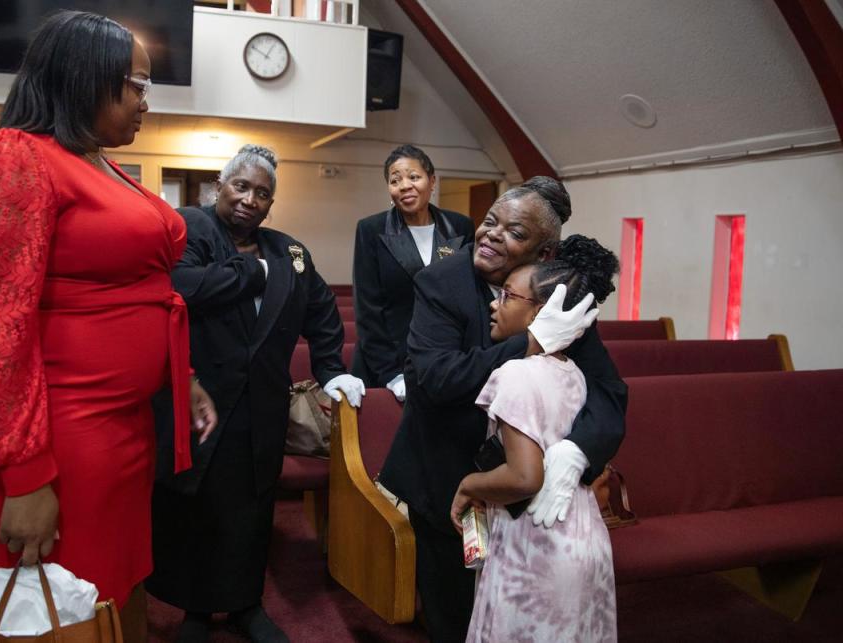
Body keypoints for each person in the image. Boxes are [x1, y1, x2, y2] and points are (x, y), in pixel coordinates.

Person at [0, 11, 215, 640]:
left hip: (119, 421)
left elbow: (136, 289)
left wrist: (184, 374)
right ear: (82, 77)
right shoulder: (10, 158)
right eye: (136, 85)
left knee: (114, 585)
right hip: (61, 426)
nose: (148, 102)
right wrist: (25, 475)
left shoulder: (94, 158)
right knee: (68, 592)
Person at [379, 177, 627, 642]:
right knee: (455, 618)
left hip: (522, 494)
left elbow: (609, 392)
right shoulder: (440, 283)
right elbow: (436, 379)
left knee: (510, 621)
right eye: (490, 221)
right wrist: (531, 343)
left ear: (545, 253)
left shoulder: (557, 295)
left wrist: (577, 451)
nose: (492, 234)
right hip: (447, 481)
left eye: (514, 232)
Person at [147, 144, 365, 643]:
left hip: (262, 404)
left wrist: (332, 371)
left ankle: (246, 604)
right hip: (198, 396)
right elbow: (180, 286)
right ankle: (195, 610)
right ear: (218, 188)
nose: (249, 199)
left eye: (262, 193)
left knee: (251, 509)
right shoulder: (191, 227)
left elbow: (323, 317)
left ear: (271, 204)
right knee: (193, 505)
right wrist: (253, 275)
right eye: (240, 187)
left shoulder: (288, 251)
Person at [452, 235, 620, 643]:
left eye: (507, 296)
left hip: (536, 546)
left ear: (542, 313)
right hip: (586, 542)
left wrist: (467, 485)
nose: (494, 303)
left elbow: (525, 478)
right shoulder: (574, 373)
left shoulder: (516, 373)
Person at [351, 144, 474, 400]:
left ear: (432, 181)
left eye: (414, 177)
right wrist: (391, 373)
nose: (405, 185)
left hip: (446, 359)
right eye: (395, 180)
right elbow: (368, 310)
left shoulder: (460, 226)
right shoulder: (371, 230)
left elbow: (469, 298)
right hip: (388, 364)